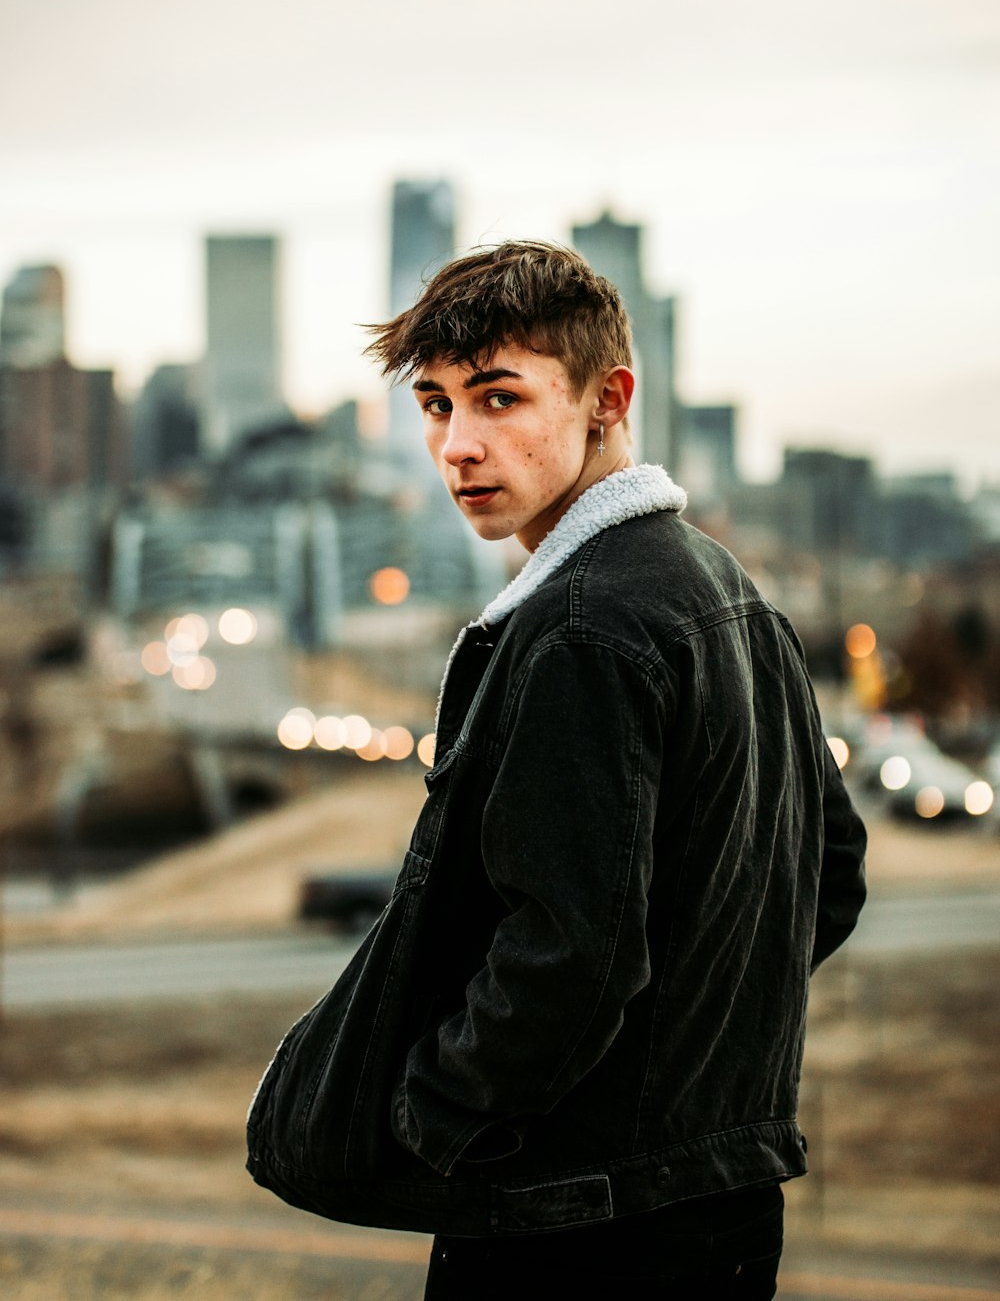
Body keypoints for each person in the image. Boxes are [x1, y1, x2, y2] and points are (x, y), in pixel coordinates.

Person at [246, 240, 867, 1299]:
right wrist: (687, 1050)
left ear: (606, 397)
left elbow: (568, 956)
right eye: (437, 406)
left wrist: (432, 1112)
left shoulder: (582, 627)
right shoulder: (727, 591)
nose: (458, 445)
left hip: (575, 1222)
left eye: (499, 399)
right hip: (716, 1200)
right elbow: (832, 873)